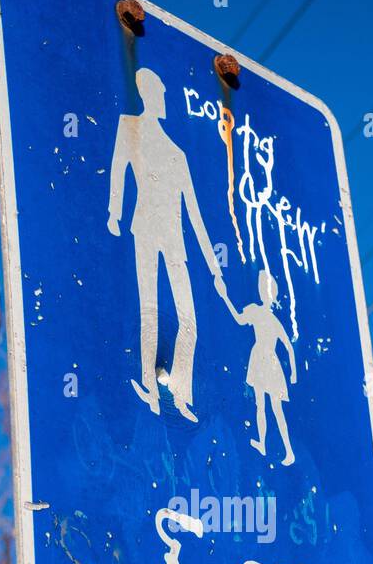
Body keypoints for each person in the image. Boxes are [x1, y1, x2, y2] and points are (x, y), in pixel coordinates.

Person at [107, 67, 224, 423]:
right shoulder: (130, 128)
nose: (163, 100)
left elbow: (196, 217)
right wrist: (114, 212)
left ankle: (180, 393)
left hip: (175, 242)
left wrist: (216, 269)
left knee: (189, 320)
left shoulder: (178, 155)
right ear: (147, 94)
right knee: (150, 312)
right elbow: (118, 169)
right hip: (144, 228)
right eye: (158, 93)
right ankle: (149, 385)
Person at [220, 270, 296, 466]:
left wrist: (294, 372)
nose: (265, 294)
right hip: (260, 359)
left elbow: (288, 346)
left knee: (276, 409)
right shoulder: (254, 310)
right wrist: (224, 296)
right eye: (263, 289)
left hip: (270, 362)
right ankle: (262, 443)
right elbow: (238, 319)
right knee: (260, 404)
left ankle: (289, 451)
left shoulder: (273, 320)